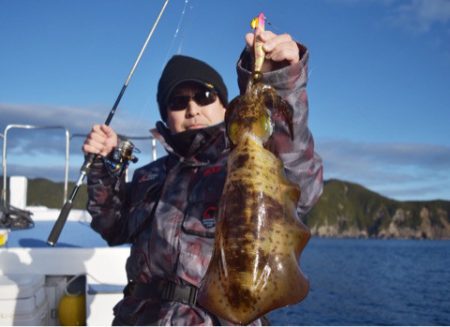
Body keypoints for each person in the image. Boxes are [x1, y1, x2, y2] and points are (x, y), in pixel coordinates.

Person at [83, 29, 323, 325]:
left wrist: (281, 82)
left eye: (205, 96)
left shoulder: (242, 163)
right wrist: (102, 167)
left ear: (225, 106)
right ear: (165, 114)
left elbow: (300, 181)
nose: (192, 108)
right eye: (178, 102)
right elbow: (111, 226)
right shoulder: (150, 176)